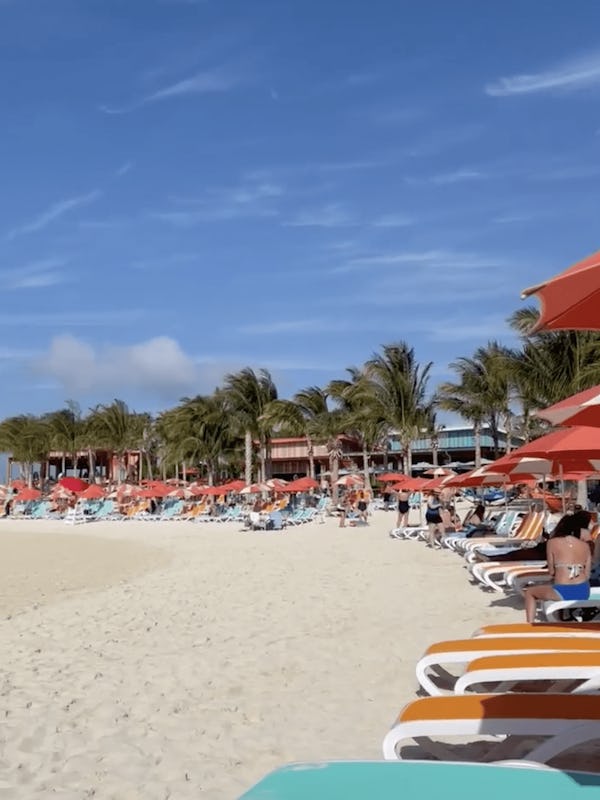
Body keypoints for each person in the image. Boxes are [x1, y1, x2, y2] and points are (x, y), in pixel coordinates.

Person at [523, 513, 592, 623]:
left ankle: (530, 625)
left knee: (530, 592)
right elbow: (587, 575)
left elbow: (551, 572)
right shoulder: (585, 546)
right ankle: (564, 616)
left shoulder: (552, 543)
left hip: (563, 591)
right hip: (583, 590)